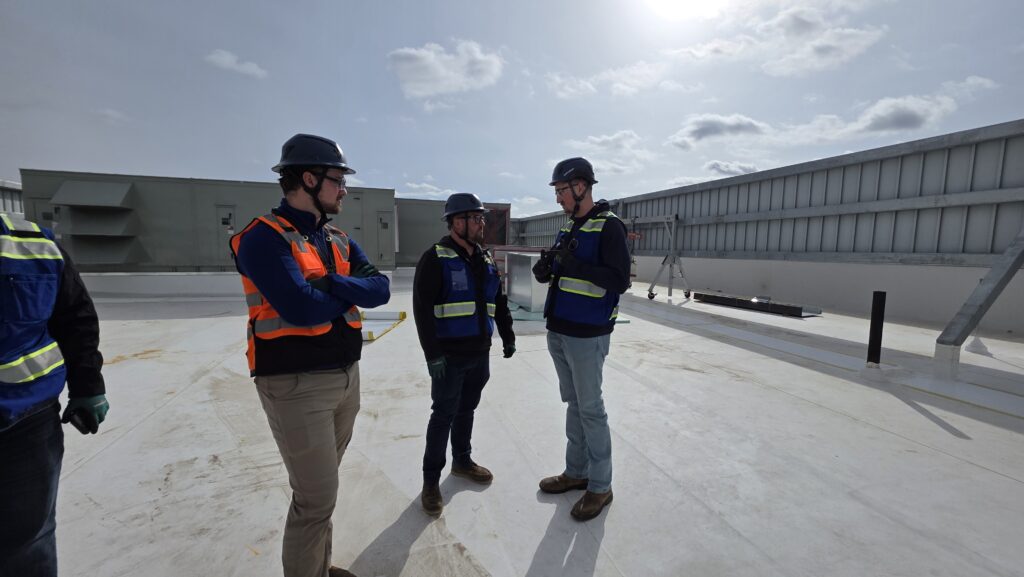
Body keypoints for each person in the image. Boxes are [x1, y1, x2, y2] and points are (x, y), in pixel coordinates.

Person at [230, 134, 390, 577]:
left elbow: (381, 289)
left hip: (345, 378)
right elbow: (298, 307)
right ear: (308, 178)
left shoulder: (336, 237)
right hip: (296, 386)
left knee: (324, 489)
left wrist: (332, 285)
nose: (344, 190)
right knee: (315, 497)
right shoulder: (262, 238)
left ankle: (318, 566)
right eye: (337, 180)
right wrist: (345, 289)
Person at [0, 212, 108, 576]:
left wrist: (88, 387)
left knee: (28, 544)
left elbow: (75, 318)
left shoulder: (34, 244)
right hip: (28, 419)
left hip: (26, 424)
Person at [531, 157, 630, 521]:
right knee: (574, 403)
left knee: (590, 407)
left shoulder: (609, 227)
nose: (558, 199)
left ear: (581, 187)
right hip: (560, 328)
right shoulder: (569, 228)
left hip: (588, 334)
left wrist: (577, 267)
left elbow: (619, 280)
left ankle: (600, 486)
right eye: (556, 192)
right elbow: (563, 271)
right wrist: (546, 272)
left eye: (561, 191)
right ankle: (577, 471)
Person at [412, 192, 515, 517]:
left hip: (479, 352)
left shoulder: (484, 258)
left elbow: (496, 300)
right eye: (476, 218)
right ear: (457, 222)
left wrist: (507, 334)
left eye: (481, 218)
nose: (482, 223)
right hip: (449, 356)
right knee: (442, 415)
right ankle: (431, 482)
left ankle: (462, 460)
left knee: (467, 409)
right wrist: (432, 355)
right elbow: (422, 311)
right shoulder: (436, 258)